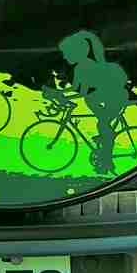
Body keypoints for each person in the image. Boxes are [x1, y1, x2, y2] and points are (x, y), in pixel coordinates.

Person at [56, 31, 129, 174]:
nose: (64, 57)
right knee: (96, 110)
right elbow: (77, 89)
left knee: (102, 125)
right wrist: (60, 93)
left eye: (66, 53)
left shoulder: (86, 66)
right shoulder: (80, 68)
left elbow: (82, 92)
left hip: (115, 96)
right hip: (105, 96)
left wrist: (63, 95)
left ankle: (107, 162)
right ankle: (105, 141)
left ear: (76, 53)